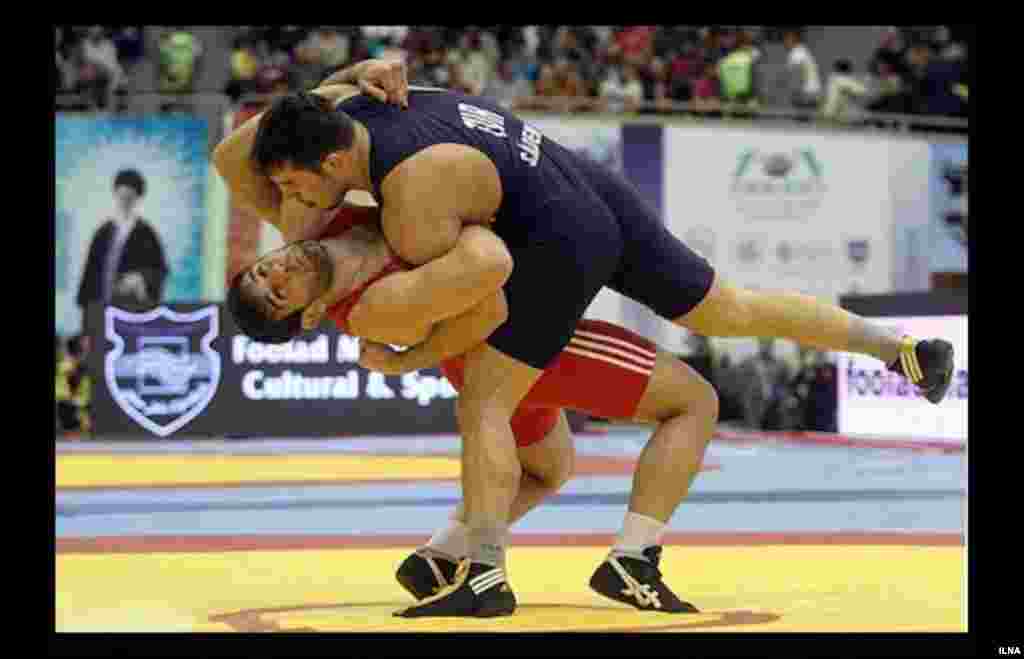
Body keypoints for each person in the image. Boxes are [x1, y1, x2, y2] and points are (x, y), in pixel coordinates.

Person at [212, 58, 955, 618]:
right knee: (723, 308)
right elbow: (245, 155)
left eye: (299, 186)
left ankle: (485, 573)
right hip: (578, 183)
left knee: (485, 404)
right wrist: (345, 74)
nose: (292, 206)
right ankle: (893, 348)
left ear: (333, 161)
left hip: (559, 235)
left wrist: (411, 355)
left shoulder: (403, 200)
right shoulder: (363, 108)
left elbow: (491, 280)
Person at [227, 203, 715, 614]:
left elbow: (240, 156)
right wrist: (404, 363)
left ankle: (442, 554)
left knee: (548, 470)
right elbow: (487, 308)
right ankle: (632, 558)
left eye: (261, 269)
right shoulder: (370, 306)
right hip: (525, 345)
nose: (276, 272)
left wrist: (349, 83)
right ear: (309, 314)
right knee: (694, 402)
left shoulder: (317, 222)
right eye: (276, 293)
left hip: (482, 368)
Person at [76, 169, 168, 328]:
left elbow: (158, 270)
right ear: (116, 196)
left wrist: (139, 279)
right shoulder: (103, 232)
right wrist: (86, 310)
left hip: (130, 311)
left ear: (137, 199)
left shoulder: (146, 233)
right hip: (100, 307)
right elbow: (90, 274)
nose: (125, 202)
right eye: (121, 197)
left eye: (129, 198)